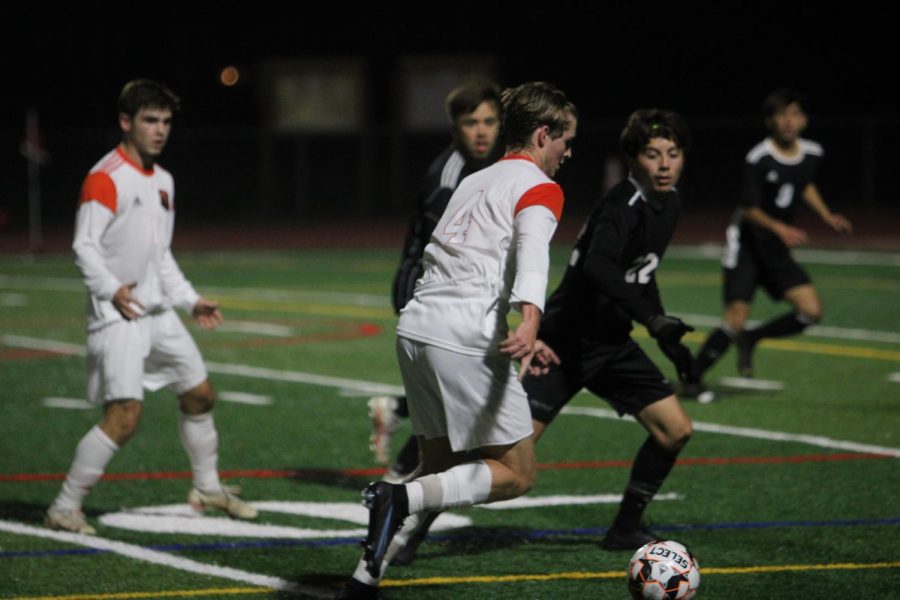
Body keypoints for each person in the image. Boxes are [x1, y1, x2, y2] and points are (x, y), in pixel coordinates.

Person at [339, 82, 577, 598]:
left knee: (438, 466)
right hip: (465, 335)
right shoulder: (540, 185)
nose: (568, 151)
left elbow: (441, 249)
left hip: (417, 329)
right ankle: (394, 499)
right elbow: (534, 252)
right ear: (542, 135)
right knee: (517, 473)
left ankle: (366, 575)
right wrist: (531, 319)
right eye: (564, 140)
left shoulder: (473, 178)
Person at [44, 79, 256, 535]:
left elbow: (160, 256)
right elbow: (83, 247)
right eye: (149, 120)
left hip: (158, 315)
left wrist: (191, 299)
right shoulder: (105, 177)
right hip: (118, 317)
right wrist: (111, 289)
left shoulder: (163, 181)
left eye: (165, 122)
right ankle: (64, 507)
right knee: (124, 419)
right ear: (126, 122)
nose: (160, 130)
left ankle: (207, 486)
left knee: (200, 394)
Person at [522, 109, 695, 550]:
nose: (663, 164)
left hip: (611, 345)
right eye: (652, 154)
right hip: (561, 344)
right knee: (508, 458)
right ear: (634, 159)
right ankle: (414, 523)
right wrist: (651, 318)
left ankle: (624, 530)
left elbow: (642, 273)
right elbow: (598, 266)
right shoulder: (623, 205)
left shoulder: (669, 203)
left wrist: (662, 333)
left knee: (674, 429)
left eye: (672, 155)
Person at [368, 78, 503, 479]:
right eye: (471, 122)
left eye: (490, 121)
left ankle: (399, 434)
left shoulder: (488, 168)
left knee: (458, 392)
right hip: (425, 286)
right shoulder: (449, 178)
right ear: (454, 128)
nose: (481, 131)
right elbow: (441, 251)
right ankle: (405, 473)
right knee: (464, 390)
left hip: (454, 289)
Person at [690, 89, 852, 389]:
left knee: (811, 312)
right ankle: (693, 378)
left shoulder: (813, 153)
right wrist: (781, 228)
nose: (788, 121)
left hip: (775, 247)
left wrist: (826, 215)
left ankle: (753, 338)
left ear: (804, 120)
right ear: (770, 121)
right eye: (781, 115)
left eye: (795, 114)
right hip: (747, 247)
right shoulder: (759, 157)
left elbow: (803, 184)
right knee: (735, 317)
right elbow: (748, 208)